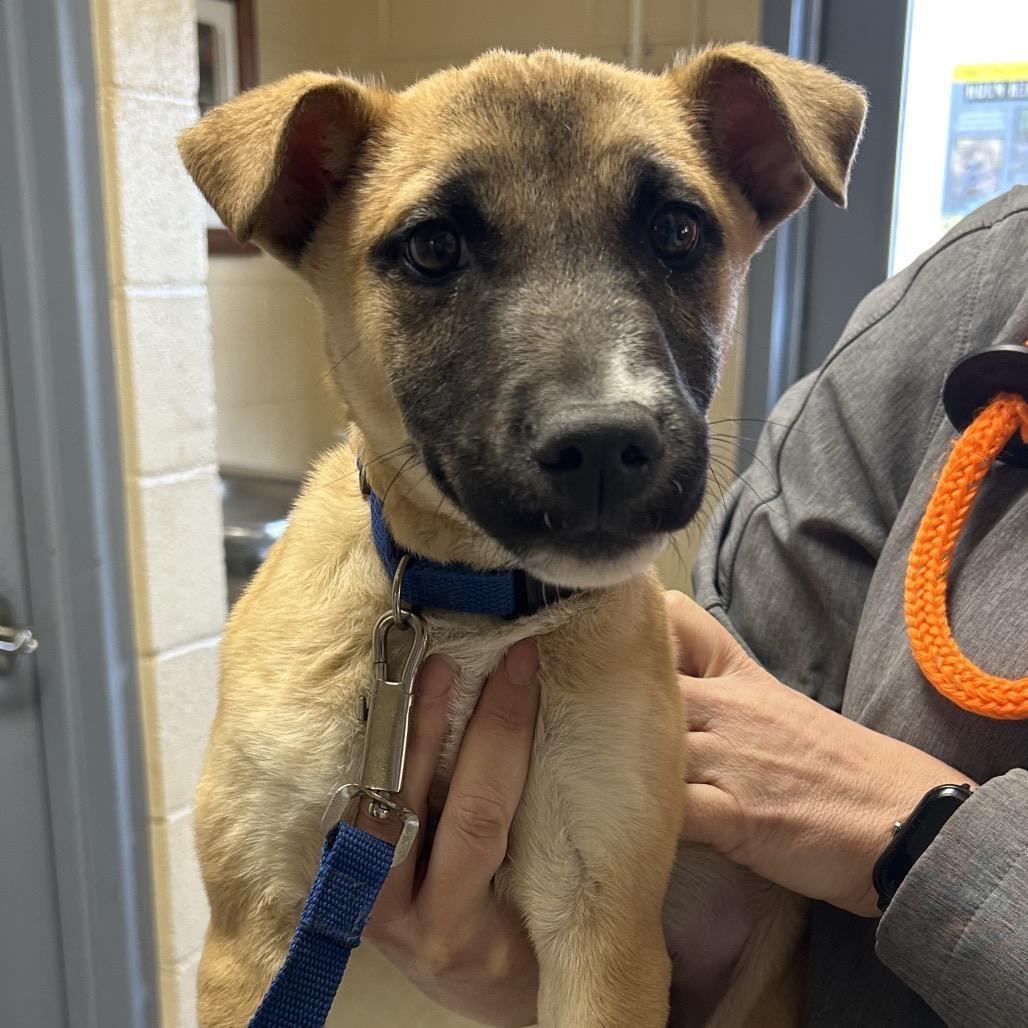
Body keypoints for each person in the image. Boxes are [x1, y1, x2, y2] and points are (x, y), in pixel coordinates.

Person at [362, 186, 1028, 1028]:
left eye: (674, 237)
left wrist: (933, 847)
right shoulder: (976, 279)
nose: (599, 408)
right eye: (436, 252)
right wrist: (533, 975)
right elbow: (734, 654)